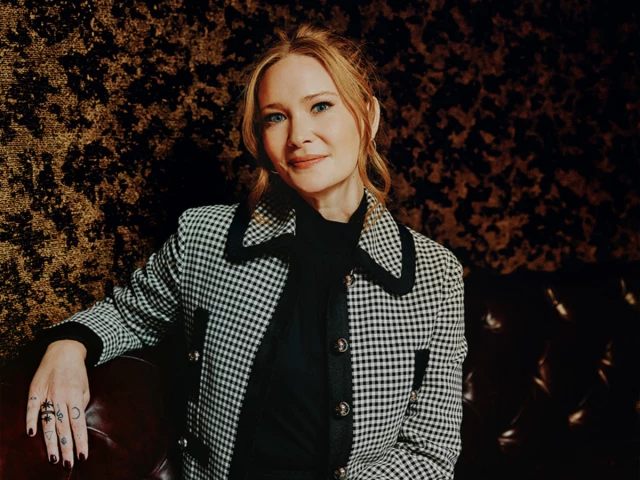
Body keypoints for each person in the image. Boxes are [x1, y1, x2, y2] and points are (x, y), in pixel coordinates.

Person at [25, 24, 467, 480]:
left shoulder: (436, 275)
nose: (298, 135)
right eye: (276, 117)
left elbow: (429, 454)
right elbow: (128, 314)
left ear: (368, 116)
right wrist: (68, 346)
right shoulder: (205, 236)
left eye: (320, 106)